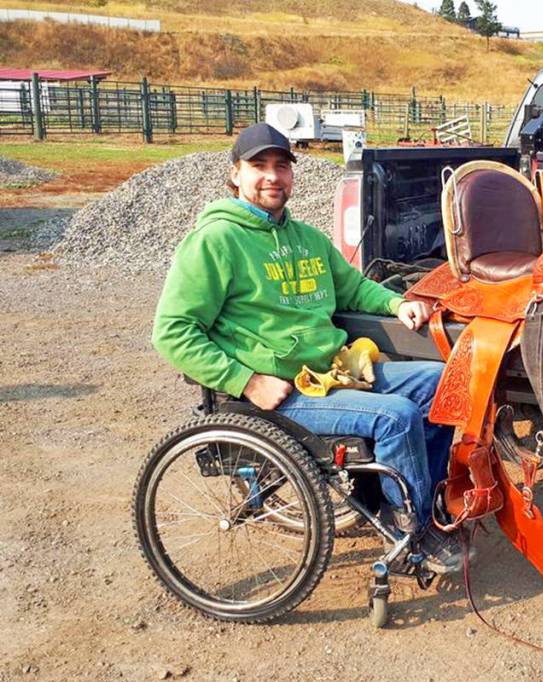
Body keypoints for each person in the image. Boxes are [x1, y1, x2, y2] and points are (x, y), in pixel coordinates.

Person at [152, 123, 462, 573]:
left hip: (331, 371)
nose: (272, 176)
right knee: (397, 416)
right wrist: (245, 380)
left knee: (442, 383)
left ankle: (416, 500)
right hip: (280, 391)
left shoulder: (307, 240)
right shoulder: (215, 241)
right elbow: (172, 331)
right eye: (259, 166)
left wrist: (397, 302)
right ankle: (410, 530)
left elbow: (353, 287)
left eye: (281, 166)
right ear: (235, 174)